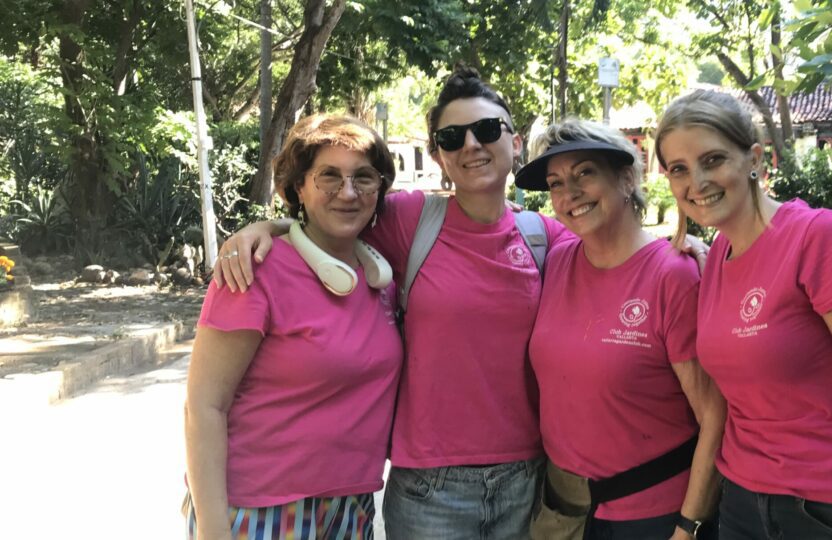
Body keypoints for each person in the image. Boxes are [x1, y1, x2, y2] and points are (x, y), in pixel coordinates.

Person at [213, 68, 567, 539]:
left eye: (486, 129)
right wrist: (264, 228)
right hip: (430, 488)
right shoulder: (410, 219)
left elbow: (612, 261)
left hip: (526, 478)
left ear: (516, 142)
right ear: (438, 155)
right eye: (451, 137)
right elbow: (331, 216)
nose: (471, 145)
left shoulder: (547, 238)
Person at [654, 89, 832, 540]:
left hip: (828, 510)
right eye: (679, 169)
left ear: (754, 159)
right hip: (741, 503)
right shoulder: (717, 256)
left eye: (713, 160)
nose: (696, 182)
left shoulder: (818, 238)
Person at [183, 114, 401, 539]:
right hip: (258, 510)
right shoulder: (254, 269)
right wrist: (212, 527)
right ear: (299, 186)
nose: (348, 193)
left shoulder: (379, 277)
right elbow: (204, 407)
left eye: (363, 177)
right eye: (329, 176)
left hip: (349, 506)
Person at [516, 119, 725, 539]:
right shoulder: (556, 260)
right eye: (556, 184)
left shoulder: (673, 275)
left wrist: (689, 526)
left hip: (652, 515)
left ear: (627, 178)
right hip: (563, 512)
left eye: (585, 173)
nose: (569, 193)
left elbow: (714, 418)